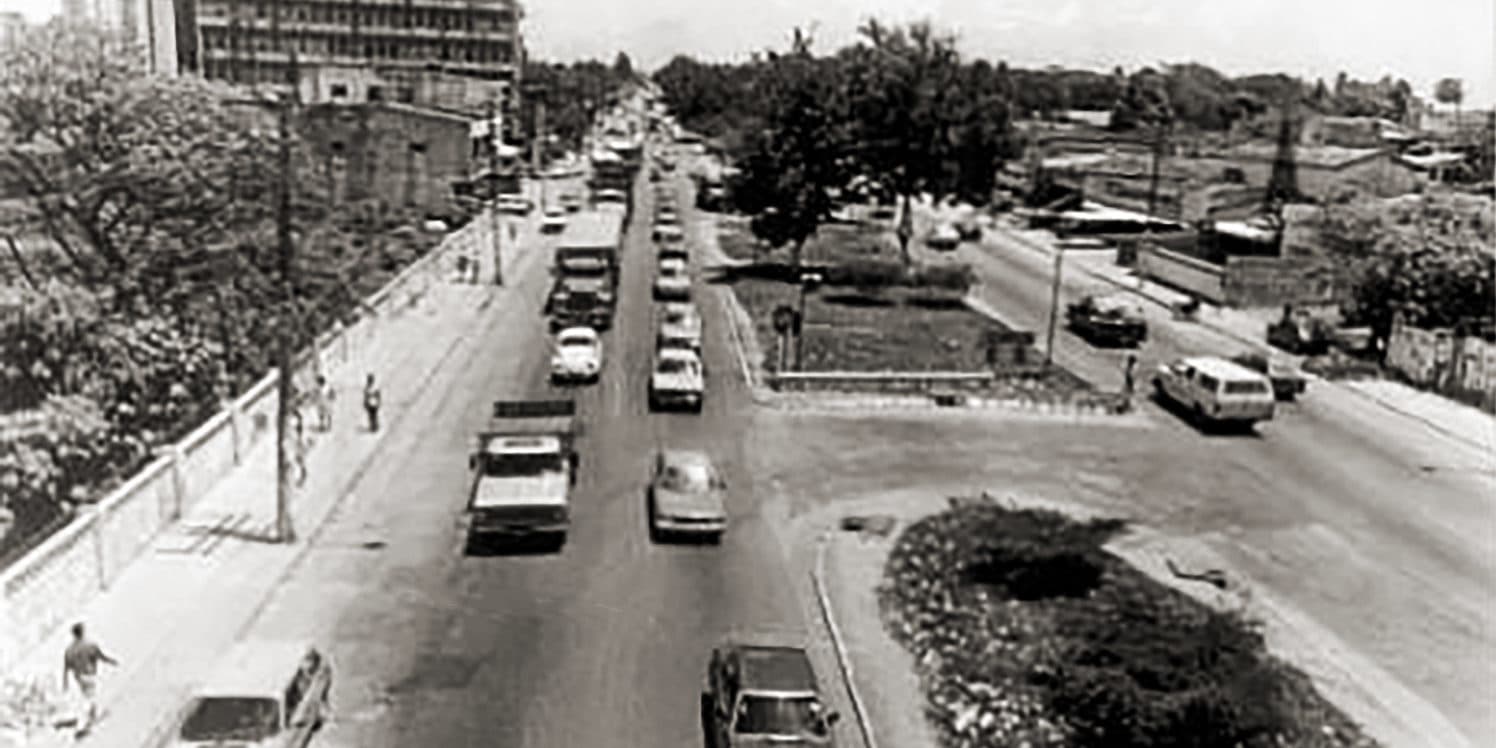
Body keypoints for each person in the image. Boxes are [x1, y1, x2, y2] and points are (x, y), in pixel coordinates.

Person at [63, 622, 118, 738]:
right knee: (88, 699)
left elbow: (66, 668)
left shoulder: (69, 650)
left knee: (88, 696)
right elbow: (101, 656)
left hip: (78, 677)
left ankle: (92, 714)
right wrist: (112, 661)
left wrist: (65, 683)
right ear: (82, 632)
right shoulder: (90, 645)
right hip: (89, 674)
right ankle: (81, 726)